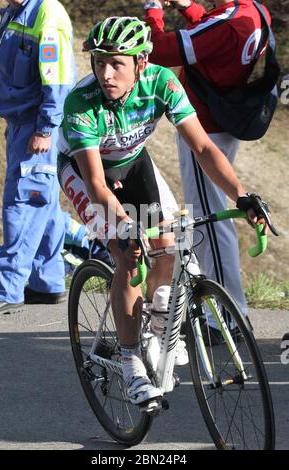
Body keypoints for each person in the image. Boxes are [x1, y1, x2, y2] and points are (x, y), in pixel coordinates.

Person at [58, 16, 270, 406]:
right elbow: (97, 185)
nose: (106, 73)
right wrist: (124, 225)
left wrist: (242, 196)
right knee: (128, 252)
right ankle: (131, 362)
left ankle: (157, 328)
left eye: (117, 63)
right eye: (99, 62)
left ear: (141, 63)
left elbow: (205, 149)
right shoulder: (81, 103)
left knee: (170, 244)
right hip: (87, 171)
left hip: (133, 162)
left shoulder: (162, 83)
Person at [142, 0, 272, 340]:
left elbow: (161, 50)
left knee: (212, 224)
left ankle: (226, 319)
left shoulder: (226, 24)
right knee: (214, 219)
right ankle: (228, 313)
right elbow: (213, 35)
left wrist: (153, 9)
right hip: (222, 122)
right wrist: (189, 8)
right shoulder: (253, 10)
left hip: (205, 130)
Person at [0, 0, 75, 316]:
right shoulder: (16, 11)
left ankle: (7, 288)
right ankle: (46, 281)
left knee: (24, 203)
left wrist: (45, 127)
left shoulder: (47, 15)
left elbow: (57, 79)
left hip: (36, 125)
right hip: (22, 122)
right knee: (45, 202)